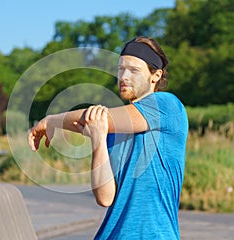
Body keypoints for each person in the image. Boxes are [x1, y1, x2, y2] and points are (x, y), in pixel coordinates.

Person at [28, 36, 188, 239]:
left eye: (134, 70)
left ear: (155, 76)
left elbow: (97, 116)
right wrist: (98, 140)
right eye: (121, 69)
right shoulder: (111, 132)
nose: (124, 76)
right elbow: (105, 198)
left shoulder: (167, 105)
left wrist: (52, 120)